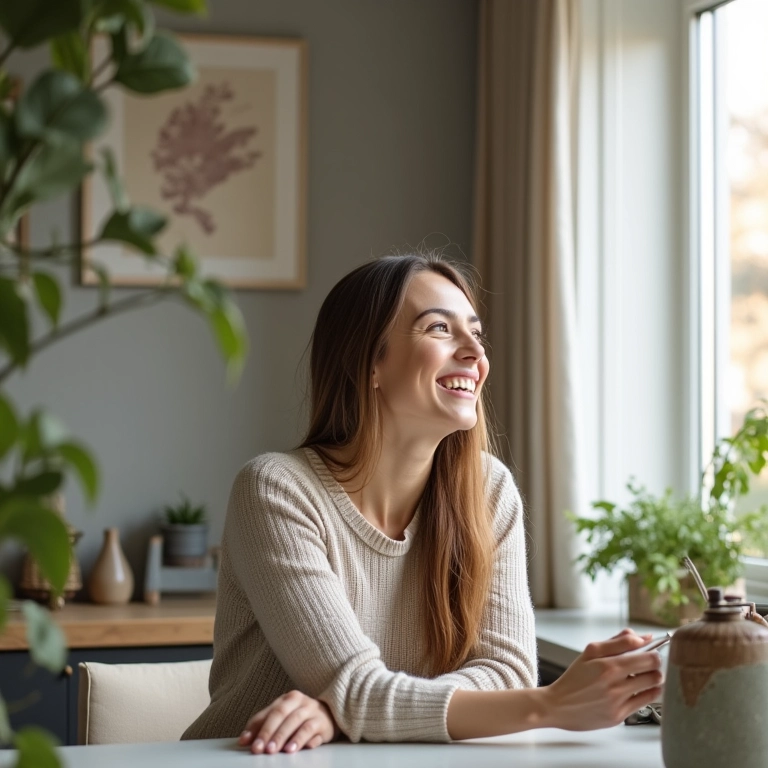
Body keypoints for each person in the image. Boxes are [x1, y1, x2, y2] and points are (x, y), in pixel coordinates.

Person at [182, 253, 663, 754]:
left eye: (476, 333)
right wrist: (550, 706)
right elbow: (362, 687)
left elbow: (505, 672)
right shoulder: (276, 490)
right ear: (369, 361)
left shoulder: (488, 491)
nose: (475, 351)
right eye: (439, 328)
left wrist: (342, 710)